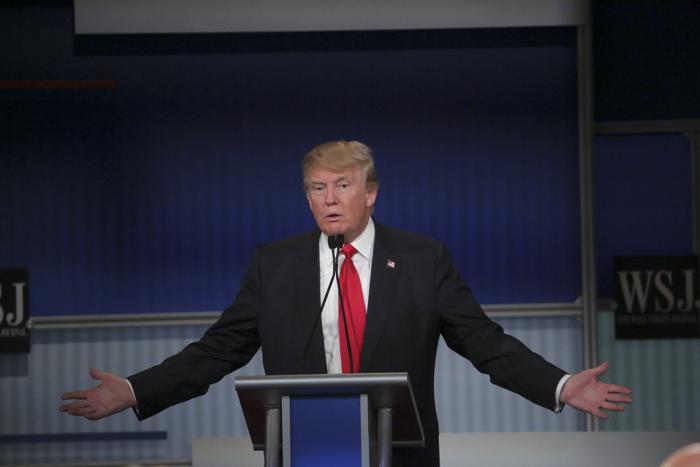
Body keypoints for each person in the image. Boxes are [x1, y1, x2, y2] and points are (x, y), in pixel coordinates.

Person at [61, 140, 632, 466]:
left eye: (342, 185)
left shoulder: (422, 258)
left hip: (400, 456)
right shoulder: (274, 265)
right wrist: (136, 389)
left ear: (371, 192)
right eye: (316, 188)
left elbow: (484, 343)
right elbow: (218, 351)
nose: (329, 199)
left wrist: (559, 385)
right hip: (305, 452)